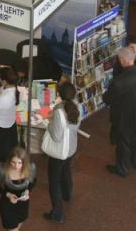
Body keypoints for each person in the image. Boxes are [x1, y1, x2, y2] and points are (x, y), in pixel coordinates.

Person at [103, 47, 136, 177]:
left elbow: (107, 99)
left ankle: (123, 169)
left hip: (124, 119)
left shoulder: (118, 82)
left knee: (124, 144)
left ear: (122, 61)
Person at [42, 81, 80, 224]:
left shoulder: (59, 112)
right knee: (66, 171)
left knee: (54, 181)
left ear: (59, 95)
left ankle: (57, 214)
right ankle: (67, 194)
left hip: (59, 151)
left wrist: (48, 123)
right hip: (71, 148)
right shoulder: (77, 107)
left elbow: (56, 136)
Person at [0, 147, 37, 231]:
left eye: (19, 163)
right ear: (9, 161)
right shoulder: (2, 169)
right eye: (13, 162)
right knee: (12, 228)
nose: (16, 166)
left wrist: (27, 191)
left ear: (24, 162)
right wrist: (8, 194)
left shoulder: (30, 168)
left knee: (18, 224)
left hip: (23, 202)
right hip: (7, 202)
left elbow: (33, 182)